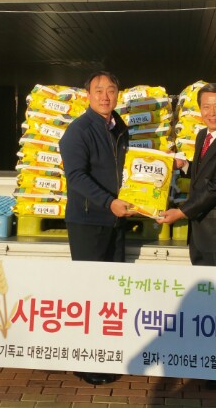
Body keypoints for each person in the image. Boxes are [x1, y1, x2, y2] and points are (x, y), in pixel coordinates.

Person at [58, 70, 134, 385]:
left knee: (110, 293)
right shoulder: (78, 131)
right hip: (88, 221)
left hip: (115, 221)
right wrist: (108, 202)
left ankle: (104, 354)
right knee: (89, 294)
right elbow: (76, 176)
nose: (105, 96)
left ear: (118, 94)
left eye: (111, 90)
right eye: (98, 90)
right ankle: (85, 361)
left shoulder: (119, 128)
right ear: (87, 95)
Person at [158, 83, 216, 268]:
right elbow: (206, 172)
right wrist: (183, 165)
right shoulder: (203, 135)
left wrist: (181, 212)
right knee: (202, 285)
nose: (212, 113)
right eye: (206, 107)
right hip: (200, 234)